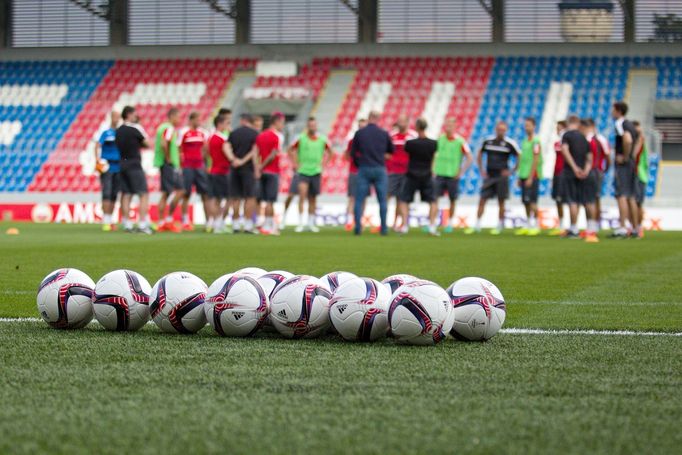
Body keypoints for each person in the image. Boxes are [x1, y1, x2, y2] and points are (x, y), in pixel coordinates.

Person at [465, 121, 520, 235]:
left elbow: (519, 156)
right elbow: (479, 153)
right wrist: (481, 169)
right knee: (482, 199)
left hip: (501, 176)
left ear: (506, 131)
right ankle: (477, 224)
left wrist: (512, 171)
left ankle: (499, 225)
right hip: (489, 175)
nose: (501, 131)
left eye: (503, 130)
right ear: (496, 129)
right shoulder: (488, 141)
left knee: (501, 201)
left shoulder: (510, 143)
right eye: (499, 129)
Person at [350, 111, 394, 235]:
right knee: (382, 201)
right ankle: (384, 228)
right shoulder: (384, 134)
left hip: (364, 168)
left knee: (359, 200)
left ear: (369, 118)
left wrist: (360, 163)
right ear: (378, 119)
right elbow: (391, 150)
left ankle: (358, 228)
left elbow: (353, 153)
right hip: (379, 168)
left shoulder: (359, 133)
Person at [287, 116, 333, 233]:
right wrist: (295, 163)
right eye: (310, 125)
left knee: (313, 198)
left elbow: (330, 152)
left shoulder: (322, 139)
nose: (312, 127)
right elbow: (290, 149)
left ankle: (311, 223)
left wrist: (324, 164)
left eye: (314, 125)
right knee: (302, 195)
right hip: (303, 171)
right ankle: (301, 222)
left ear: (316, 126)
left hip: (316, 172)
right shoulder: (300, 138)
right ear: (307, 126)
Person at [114, 105, 152, 234]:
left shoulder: (118, 130)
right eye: (134, 114)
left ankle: (127, 223)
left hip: (122, 163)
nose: (136, 116)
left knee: (126, 194)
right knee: (143, 194)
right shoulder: (135, 129)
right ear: (129, 114)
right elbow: (147, 143)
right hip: (134, 163)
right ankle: (142, 224)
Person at [398, 118, 438, 236]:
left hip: (411, 174)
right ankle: (431, 226)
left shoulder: (410, 143)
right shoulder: (433, 143)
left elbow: (406, 154)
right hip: (426, 174)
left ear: (416, 127)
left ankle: (405, 225)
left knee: (404, 200)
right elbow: (433, 158)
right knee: (433, 201)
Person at [561, 115, 598, 243]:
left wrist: (574, 168)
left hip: (571, 172)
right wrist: (585, 170)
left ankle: (574, 228)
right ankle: (591, 227)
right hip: (584, 173)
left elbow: (565, 151)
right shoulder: (584, 137)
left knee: (573, 201)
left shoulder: (567, 135)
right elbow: (590, 157)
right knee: (587, 200)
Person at [433, 117, 473, 233]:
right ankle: (433, 223)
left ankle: (449, 223)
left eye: (450, 125)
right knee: (435, 199)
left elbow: (469, 157)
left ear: (455, 126)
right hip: (440, 174)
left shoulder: (460, 141)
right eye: (447, 125)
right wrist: (433, 169)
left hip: (452, 175)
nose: (448, 128)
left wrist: (461, 171)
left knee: (452, 200)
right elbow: (434, 154)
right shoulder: (440, 139)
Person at [227, 114, 259, 234]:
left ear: (242, 121)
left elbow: (226, 146)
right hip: (248, 169)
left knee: (235, 197)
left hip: (234, 168)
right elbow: (254, 151)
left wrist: (233, 159)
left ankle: (235, 225)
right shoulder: (255, 134)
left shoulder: (234, 133)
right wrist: (243, 161)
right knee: (250, 197)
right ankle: (247, 224)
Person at [611, 101, 640, 238]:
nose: (611, 112)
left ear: (618, 110)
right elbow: (639, 138)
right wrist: (633, 156)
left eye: (613, 109)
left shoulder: (620, 124)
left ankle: (623, 227)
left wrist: (625, 156)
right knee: (631, 197)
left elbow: (627, 140)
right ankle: (635, 228)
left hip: (624, 165)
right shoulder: (630, 125)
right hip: (631, 165)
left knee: (621, 195)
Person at [177, 112, 210, 231]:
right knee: (186, 193)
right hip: (187, 166)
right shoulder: (183, 132)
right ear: (191, 120)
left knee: (205, 193)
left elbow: (206, 148)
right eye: (197, 119)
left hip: (199, 166)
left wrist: (204, 162)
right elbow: (179, 148)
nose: (199, 122)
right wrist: (181, 164)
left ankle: (209, 221)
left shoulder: (203, 133)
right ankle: (185, 220)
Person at [256, 112, 286, 235]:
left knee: (261, 199)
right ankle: (268, 225)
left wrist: (258, 167)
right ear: (276, 122)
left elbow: (256, 152)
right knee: (270, 200)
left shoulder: (260, 135)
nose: (282, 126)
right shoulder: (277, 136)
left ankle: (261, 223)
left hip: (261, 171)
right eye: (282, 123)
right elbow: (273, 154)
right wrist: (263, 166)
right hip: (272, 170)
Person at [154, 108, 183, 233]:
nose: (179, 120)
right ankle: (162, 221)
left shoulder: (163, 127)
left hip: (167, 164)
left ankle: (166, 220)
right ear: (172, 116)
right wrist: (168, 159)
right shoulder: (168, 128)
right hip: (167, 164)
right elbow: (164, 143)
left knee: (172, 191)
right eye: (178, 117)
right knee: (168, 192)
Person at [207, 114, 237, 234]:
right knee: (227, 198)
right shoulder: (222, 139)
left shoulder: (211, 138)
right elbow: (228, 151)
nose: (228, 126)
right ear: (220, 124)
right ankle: (218, 222)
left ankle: (217, 223)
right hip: (222, 171)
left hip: (215, 169)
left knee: (217, 198)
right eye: (227, 123)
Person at [388, 114, 416, 231]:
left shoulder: (412, 136)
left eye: (403, 121)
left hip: (406, 172)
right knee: (387, 195)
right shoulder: (391, 136)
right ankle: (385, 223)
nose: (400, 123)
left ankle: (400, 223)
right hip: (392, 171)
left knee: (402, 199)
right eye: (399, 121)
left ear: (407, 122)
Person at [515, 117, 543, 236]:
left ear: (534, 126)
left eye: (529, 125)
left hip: (532, 175)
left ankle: (536, 224)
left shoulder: (536, 141)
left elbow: (536, 159)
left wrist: (531, 176)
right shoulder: (525, 141)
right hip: (523, 174)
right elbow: (522, 159)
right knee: (525, 201)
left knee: (532, 201)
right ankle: (528, 223)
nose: (527, 128)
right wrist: (519, 175)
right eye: (525, 125)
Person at [94, 111, 121, 232]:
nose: (116, 119)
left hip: (118, 166)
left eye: (118, 117)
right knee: (107, 192)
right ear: (111, 117)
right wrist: (98, 160)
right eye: (115, 116)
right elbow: (97, 145)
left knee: (114, 194)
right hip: (107, 166)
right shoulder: (106, 133)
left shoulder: (120, 133)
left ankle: (110, 219)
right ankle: (105, 220)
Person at [585, 118, 611, 233]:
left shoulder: (592, 139)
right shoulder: (601, 139)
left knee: (590, 199)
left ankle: (592, 224)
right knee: (596, 198)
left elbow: (607, 156)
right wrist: (605, 169)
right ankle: (595, 223)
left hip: (592, 171)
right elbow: (608, 156)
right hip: (599, 171)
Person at [344, 118, 367, 232]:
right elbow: (347, 154)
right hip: (354, 171)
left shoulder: (369, 141)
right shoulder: (352, 141)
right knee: (353, 197)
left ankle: (360, 220)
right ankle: (349, 221)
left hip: (365, 172)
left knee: (363, 198)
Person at [549, 120, 568, 236]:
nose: (557, 130)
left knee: (567, 200)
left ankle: (570, 226)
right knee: (558, 199)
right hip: (557, 174)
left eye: (559, 128)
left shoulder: (567, 143)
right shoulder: (557, 143)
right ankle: (561, 224)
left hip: (565, 174)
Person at [633, 121, 648, 238]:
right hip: (640, 174)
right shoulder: (639, 141)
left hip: (639, 174)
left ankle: (638, 227)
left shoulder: (640, 141)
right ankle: (636, 227)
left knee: (637, 203)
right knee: (637, 203)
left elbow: (635, 156)